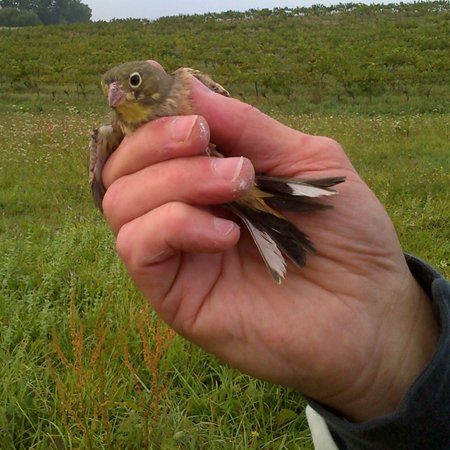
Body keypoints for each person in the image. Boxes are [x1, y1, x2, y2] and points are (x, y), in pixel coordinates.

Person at [99, 72, 449, 449]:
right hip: (228, 215)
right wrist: (390, 359)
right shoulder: (117, 132)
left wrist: (394, 329)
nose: (117, 94)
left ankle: (262, 208)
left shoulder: (183, 84)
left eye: (131, 82)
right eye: (108, 90)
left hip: (243, 182)